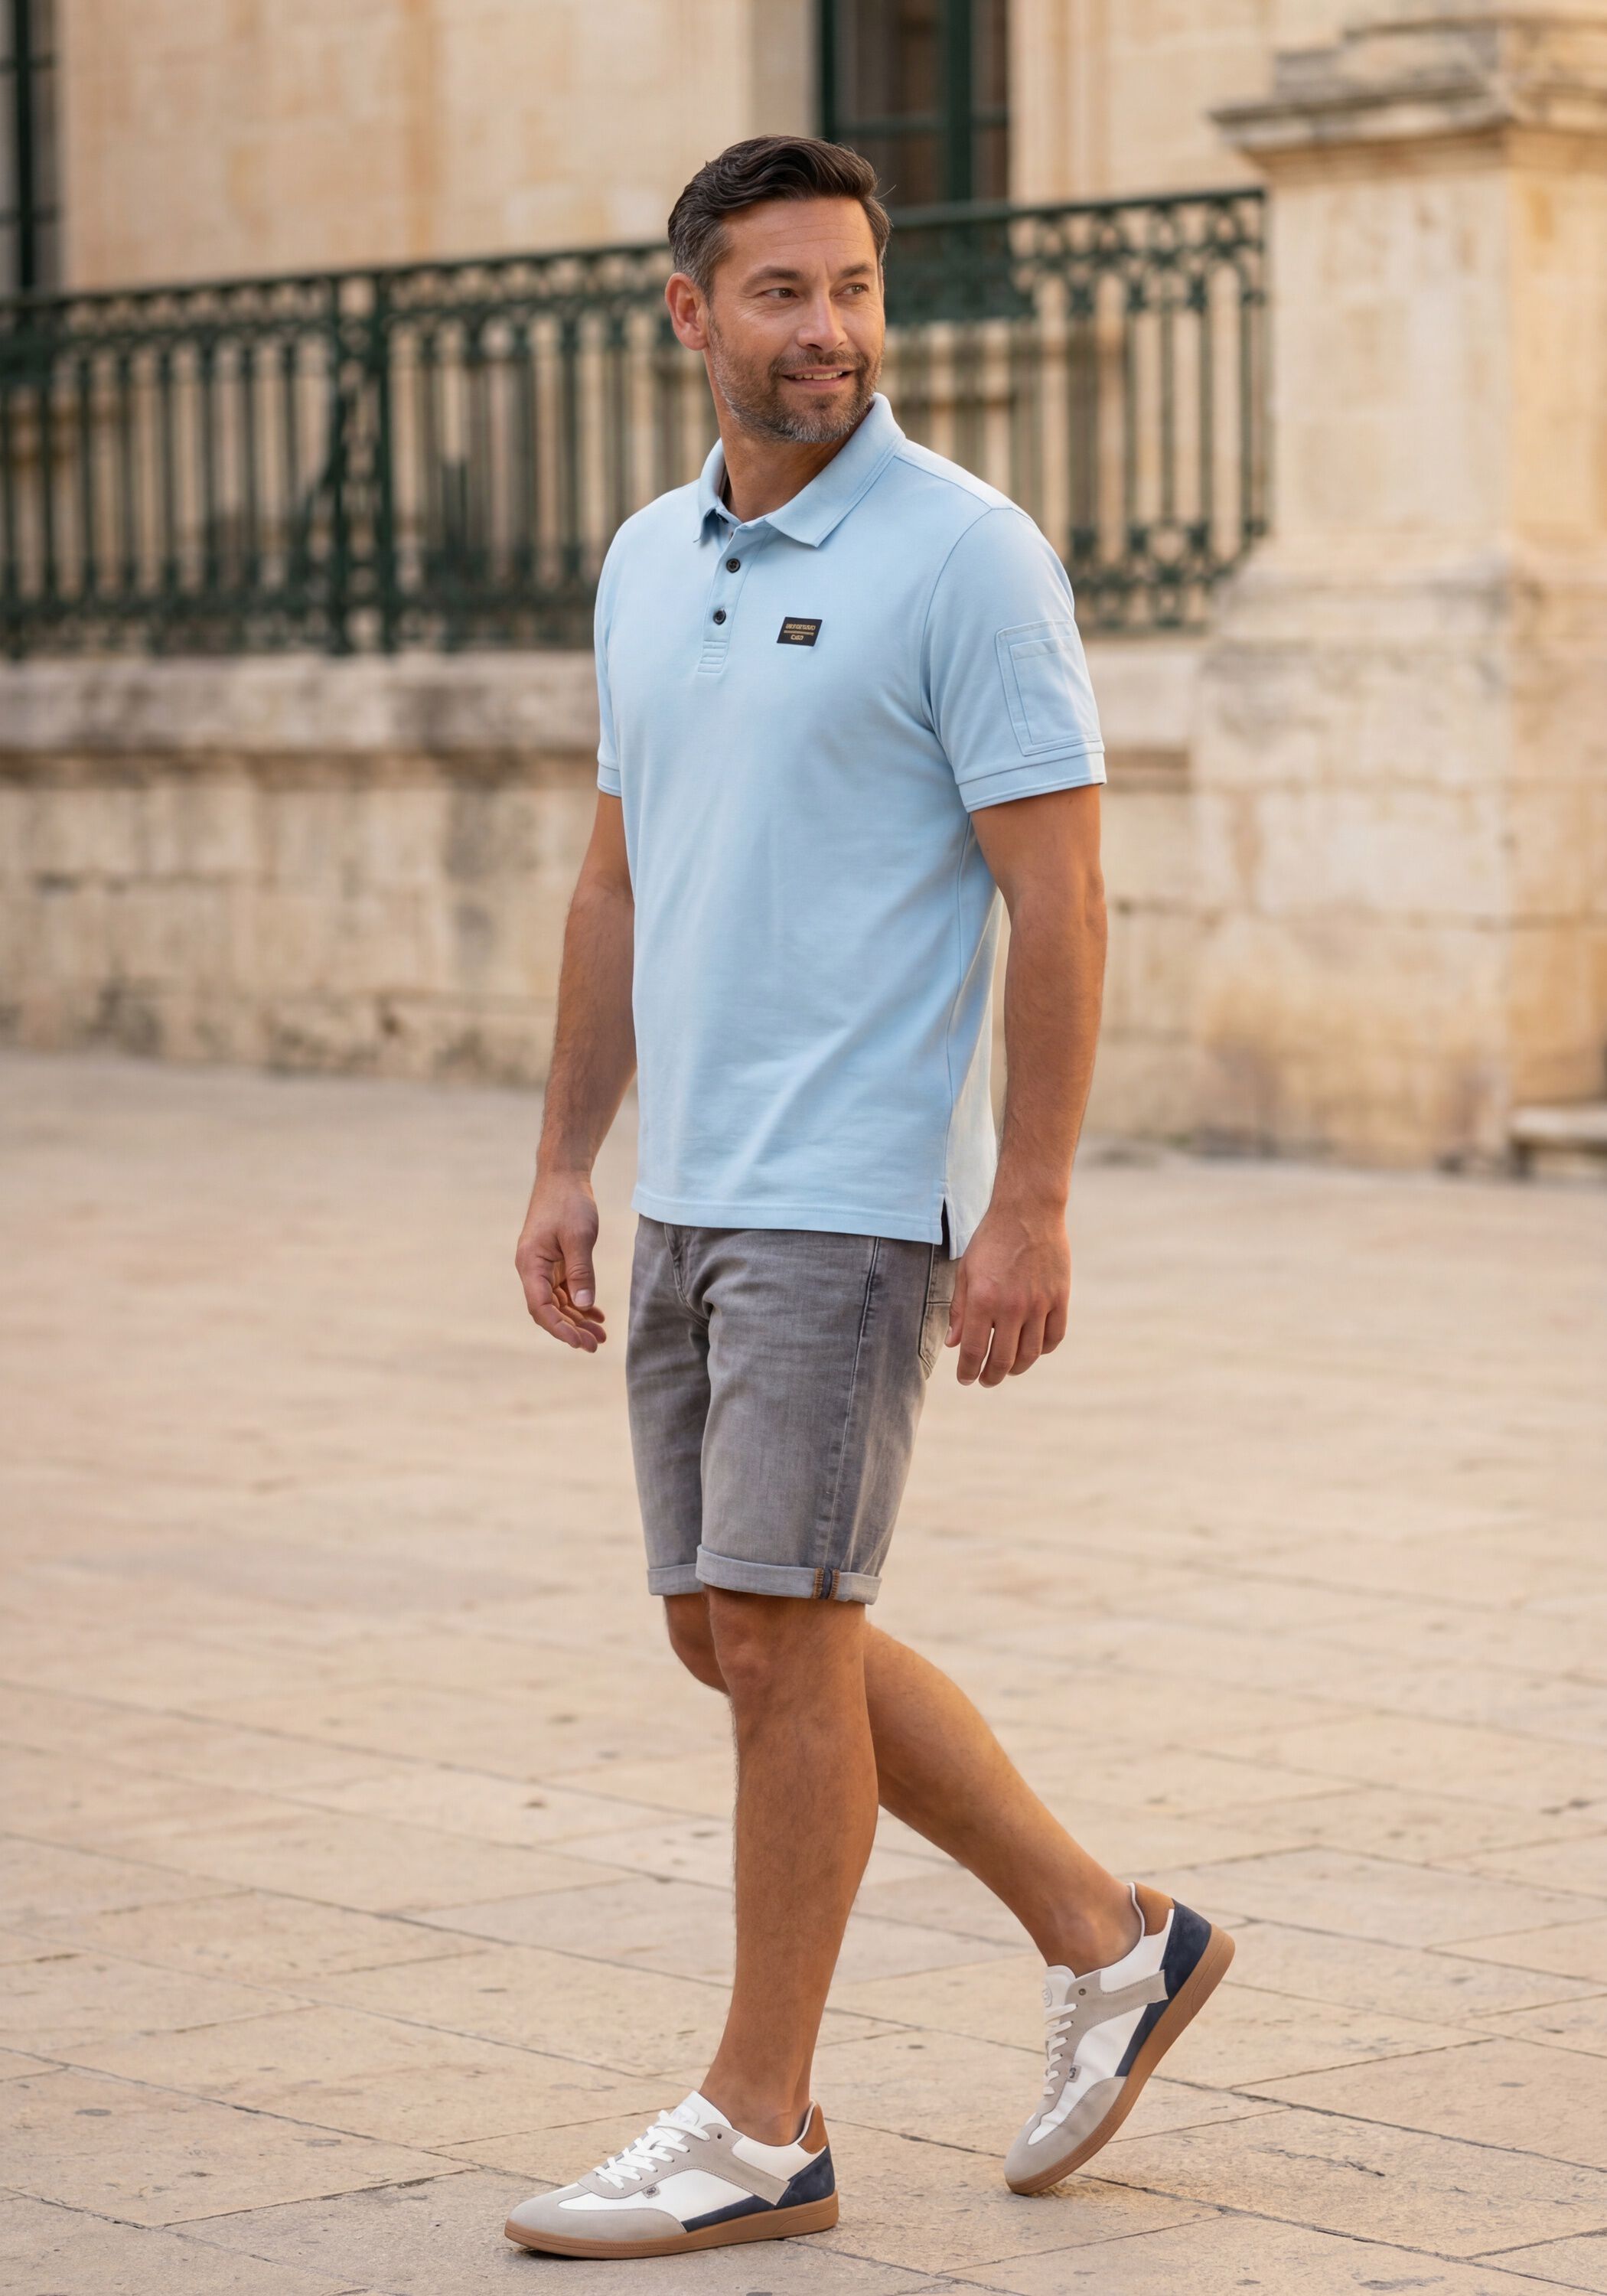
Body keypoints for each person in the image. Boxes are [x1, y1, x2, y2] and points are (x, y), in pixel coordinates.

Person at [505, 135, 1232, 2262]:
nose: (825, 331)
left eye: (850, 290)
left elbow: (1059, 893)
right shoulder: (647, 558)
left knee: (784, 1636)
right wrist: (564, 1161)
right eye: (780, 293)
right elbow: (616, 879)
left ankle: (761, 2127)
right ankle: (1111, 1938)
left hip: (849, 1186)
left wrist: (1032, 1204)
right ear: (690, 313)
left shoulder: (965, 557)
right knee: (722, 1628)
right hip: (693, 1183)